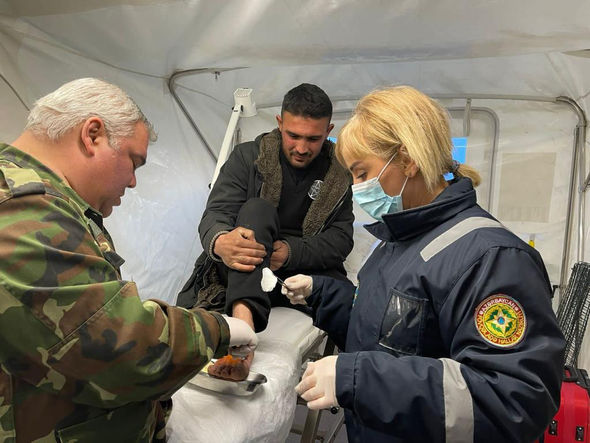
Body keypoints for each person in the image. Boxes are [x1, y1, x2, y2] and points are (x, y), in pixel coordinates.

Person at [282, 86, 566, 442]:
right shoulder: (399, 240)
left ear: (407, 159)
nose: (356, 188)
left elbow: (514, 401)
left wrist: (360, 379)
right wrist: (322, 293)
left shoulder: (491, 258)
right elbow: (388, 329)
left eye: (362, 173)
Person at [0, 78, 258, 442]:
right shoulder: (23, 212)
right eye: (133, 162)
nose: (134, 182)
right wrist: (219, 329)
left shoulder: (43, 202)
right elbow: (122, 348)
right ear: (92, 135)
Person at [177, 84, 353, 348]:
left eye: (313, 139)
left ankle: (360, 367)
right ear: (280, 123)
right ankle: (244, 328)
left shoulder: (338, 174)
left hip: (303, 273)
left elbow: (340, 239)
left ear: (328, 131)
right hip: (244, 266)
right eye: (293, 135)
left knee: (355, 306)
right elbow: (217, 213)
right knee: (257, 210)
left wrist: (291, 252)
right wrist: (221, 241)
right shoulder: (247, 157)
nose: (301, 148)